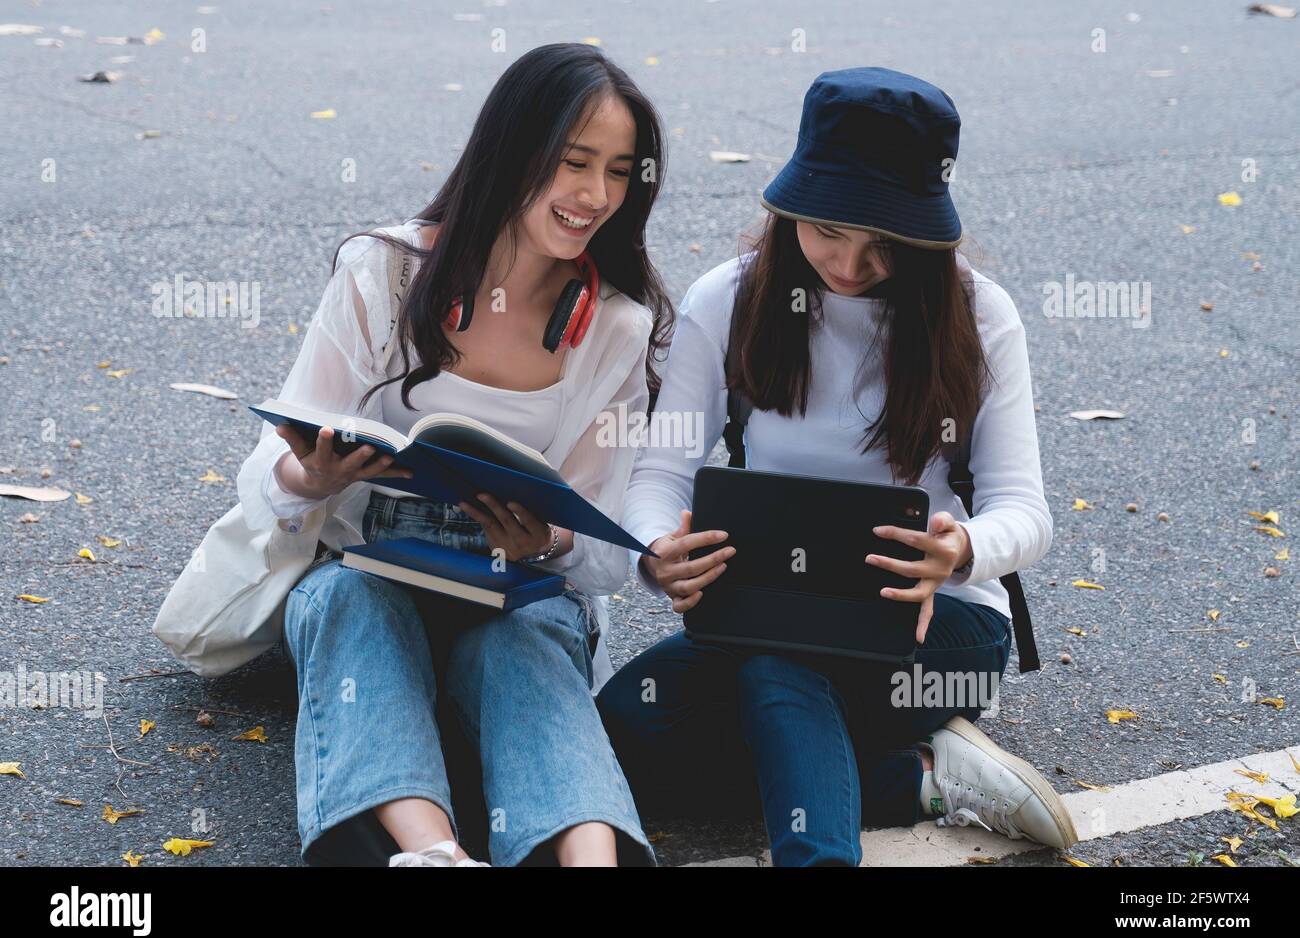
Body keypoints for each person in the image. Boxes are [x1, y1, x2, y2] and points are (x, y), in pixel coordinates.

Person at [596, 67, 1078, 866]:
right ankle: (923, 777)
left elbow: (1026, 514)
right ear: (788, 211)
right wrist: (657, 551)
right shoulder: (730, 299)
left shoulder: (980, 315)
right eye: (826, 232)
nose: (849, 264)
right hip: (766, 612)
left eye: (884, 242)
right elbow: (660, 476)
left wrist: (958, 552)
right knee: (624, 728)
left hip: (939, 631)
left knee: (782, 664)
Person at [234, 42, 673, 866]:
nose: (595, 195)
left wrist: (542, 541)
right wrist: (315, 473)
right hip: (374, 577)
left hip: (517, 596)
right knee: (344, 599)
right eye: (575, 162)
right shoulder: (385, 273)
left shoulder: (614, 324)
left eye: (619, 171)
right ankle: (430, 854)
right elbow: (270, 474)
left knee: (533, 636)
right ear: (514, 150)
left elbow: (605, 553)